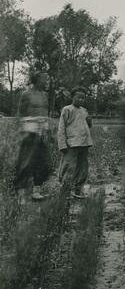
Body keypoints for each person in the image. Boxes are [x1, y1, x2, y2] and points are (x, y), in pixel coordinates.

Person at [15, 72, 51, 201]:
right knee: (25, 162)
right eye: (44, 79)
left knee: (43, 162)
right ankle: (21, 194)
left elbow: (45, 113)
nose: (46, 81)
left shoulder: (45, 95)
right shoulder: (26, 94)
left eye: (47, 79)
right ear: (36, 80)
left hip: (42, 131)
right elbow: (20, 113)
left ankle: (36, 191)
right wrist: (24, 131)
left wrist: (47, 130)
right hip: (29, 132)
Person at [57, 86, 93, 199]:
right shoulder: (67, 109)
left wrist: (89, 122)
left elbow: (87, 126)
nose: (81, 100)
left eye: (83, 98)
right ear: (73, 97)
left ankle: (78, 189)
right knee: (68, 167)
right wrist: (62, 144)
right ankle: (65, 190)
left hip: (84, 143)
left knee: (82, 167)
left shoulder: (84, 110)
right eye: (79, 97)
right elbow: (61, 128)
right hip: (71, 143)